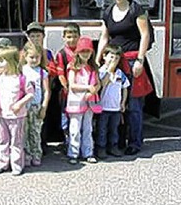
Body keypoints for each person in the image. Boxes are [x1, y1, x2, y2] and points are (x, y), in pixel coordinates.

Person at [96, 0, 153, 156]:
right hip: (115, 63)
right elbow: (105, 36)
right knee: (114, 104)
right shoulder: (107, 12)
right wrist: (98, 58)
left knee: (134, 106)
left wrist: (140, 60)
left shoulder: (136, 10)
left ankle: (135, 142)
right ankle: (118, 141)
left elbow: (145, 36)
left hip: (132, 60)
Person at [0, 46, 34, 176]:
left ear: (11, 61)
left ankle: (16, 164)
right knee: (2, 140)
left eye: (2, 61)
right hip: (1, 115)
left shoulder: (21, 78)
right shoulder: (0, 78)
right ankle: (2, 162)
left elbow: (30, 94)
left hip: (17, 116)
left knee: (16, 141)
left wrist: (19, 104)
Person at [24, 22, 57, 154]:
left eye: (38, 36)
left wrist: (47, 70)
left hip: (42, 90)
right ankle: (27, 150)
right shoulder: (24, 53)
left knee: (41, 120)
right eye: (32, 36)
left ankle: (41, 145)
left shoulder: (47, 53)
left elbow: (53, 70)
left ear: (43, 37)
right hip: (27, 96)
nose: (35, 39)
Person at [66, 36, 99, 165]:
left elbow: (98, 83)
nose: (85, 54)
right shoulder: (73, 67)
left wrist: (94, 90)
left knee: (88, 128)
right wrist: (88, 88)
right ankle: (73, 153)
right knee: (74, 128)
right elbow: (72, 85)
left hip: (89, 102)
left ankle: (88, 152)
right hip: (76, 101)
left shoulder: (93, 67)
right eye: (83, 51)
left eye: (88, 51)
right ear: (77, 52)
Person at [96, 44, 130, 159]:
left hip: (116, 108)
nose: (113, 60)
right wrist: (109, 72)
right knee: (102, 129)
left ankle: (113, 146)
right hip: (103, 108)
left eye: (116, 58)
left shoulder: (120, 73)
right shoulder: (101, 71)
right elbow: (102, 85)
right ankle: (101, 148)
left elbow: (125, 87)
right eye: (111, 57)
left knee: (114, 129)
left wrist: (123, 103)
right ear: (104, 56)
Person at [21, 41, 50, 167]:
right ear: (25, 56)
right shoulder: (21, 70)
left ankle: (36, 154)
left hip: (36, 106)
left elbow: (47, 90)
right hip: (23, 106)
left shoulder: (42, 72)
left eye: (37, 57)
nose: (34, 60)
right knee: (24, 131)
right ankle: (26, 154)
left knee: (35, 132)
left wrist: (44, 107)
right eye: (31, 57)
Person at [54, 23, 81, 152]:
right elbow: (60, 74)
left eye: (75, 36)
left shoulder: (83, 52)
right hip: (67, 93)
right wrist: (67, 88)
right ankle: (67, 142)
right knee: (66, 117)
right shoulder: (61, 54)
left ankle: (79, 142)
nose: (72, 39)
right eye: (69, 36)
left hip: (82, 93)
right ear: (63, 37)